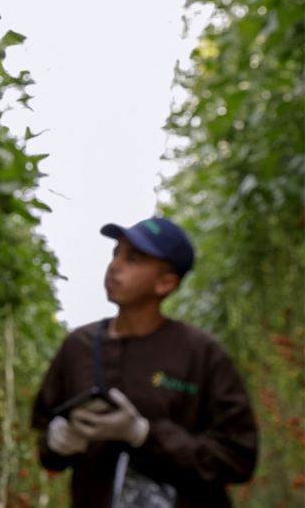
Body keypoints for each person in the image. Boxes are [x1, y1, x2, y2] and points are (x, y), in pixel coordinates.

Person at [31, 217, 258, 507]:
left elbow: (238, 458)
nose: (115, 265)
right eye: (115, 253)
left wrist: (144, 434)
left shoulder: (201, 354)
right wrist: (58, 441)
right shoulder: (79, 347)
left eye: (133, 258)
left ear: (165, 283)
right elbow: (46, 440)